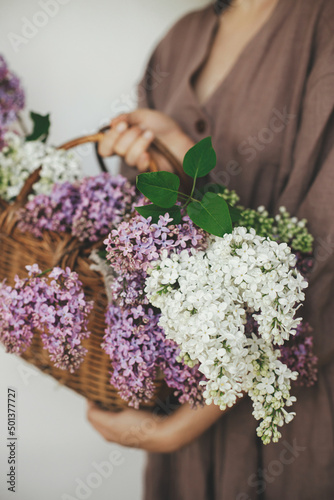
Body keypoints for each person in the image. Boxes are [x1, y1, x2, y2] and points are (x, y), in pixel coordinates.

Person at [87, 0, 334, 498]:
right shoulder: (178, 40)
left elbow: (323, 257)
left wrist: (180, 427)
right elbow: (148, 245)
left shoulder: (321, 24)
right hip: (182, 408)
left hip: (288, 417)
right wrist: (167, 156)